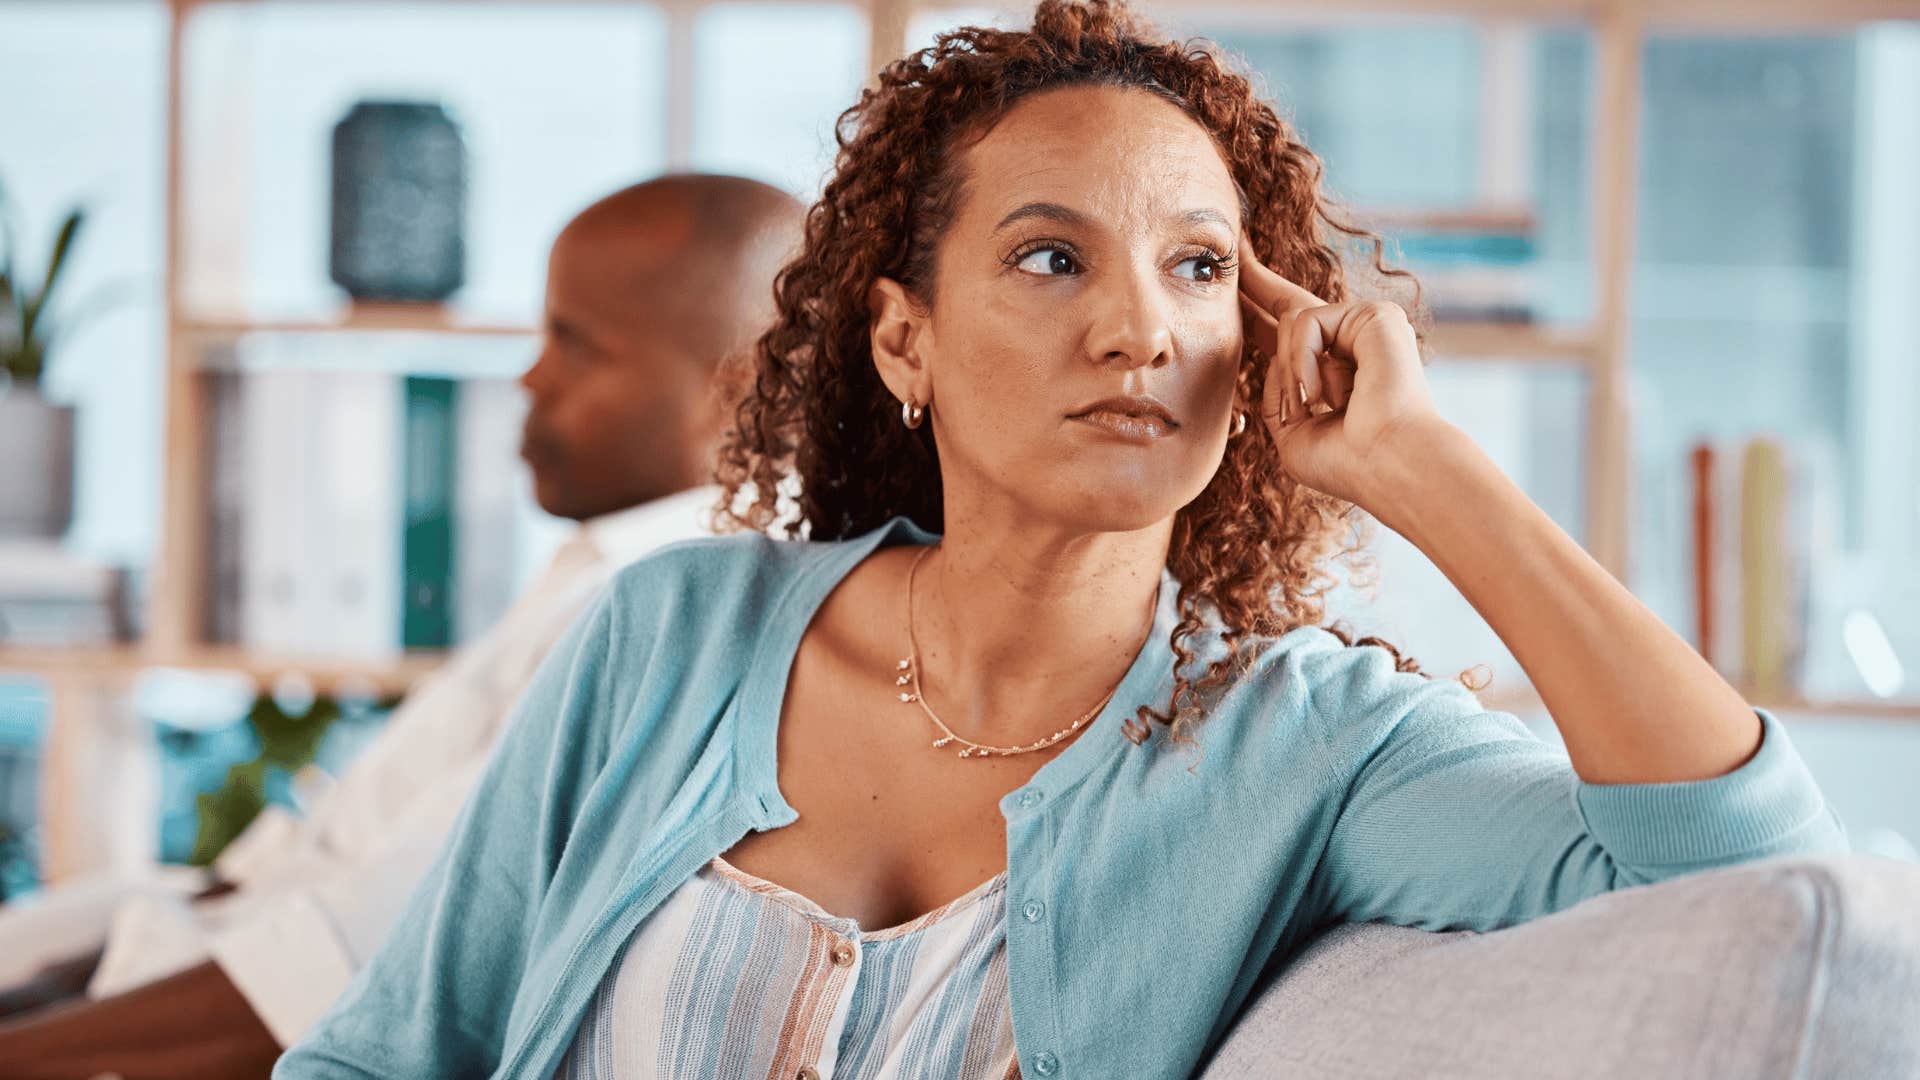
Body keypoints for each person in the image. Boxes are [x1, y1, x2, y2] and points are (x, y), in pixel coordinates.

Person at [279, 4, 1850, 1078]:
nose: (1137, 329)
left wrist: (1432, 472)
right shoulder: (670, 635)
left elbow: (1751, 874)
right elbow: (382, 1053)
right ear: (903, 338)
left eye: (1195, 269)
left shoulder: (1304, 745)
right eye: (1050, 258)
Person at [0, 173, 804, 1079]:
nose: (530, 378)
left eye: (575, 348)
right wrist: (49, 981)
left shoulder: (670, 625)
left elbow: (342, 974)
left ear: (731, 389)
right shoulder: (596, 576)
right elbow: (270, 889)